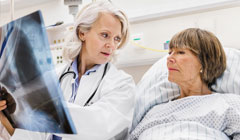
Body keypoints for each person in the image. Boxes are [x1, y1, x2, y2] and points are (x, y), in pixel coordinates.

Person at [0, 1, 135, 140]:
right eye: (105, 35)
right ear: (82, 32)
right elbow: (36, 134)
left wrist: (38, 106)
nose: (111, 45)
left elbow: (102, 126)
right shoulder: (53, 77)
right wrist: (5, 117)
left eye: (117, 39)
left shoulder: (122, 84)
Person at [129, 28, 240, 140]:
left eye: (180, 52)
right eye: (170, 52)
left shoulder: (227, 104)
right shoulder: (154, 112)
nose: (169, 58)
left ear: (204, 62)